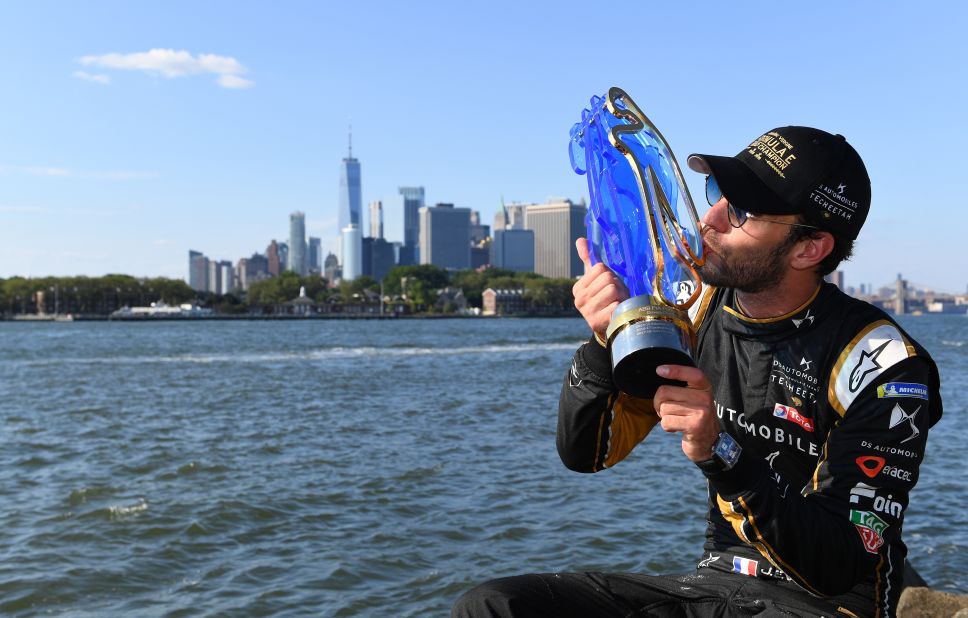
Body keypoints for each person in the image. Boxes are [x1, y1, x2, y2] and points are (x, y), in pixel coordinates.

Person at [453, 126, 943, 617]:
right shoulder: (692, 308)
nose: (708, 218)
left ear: (809, 248)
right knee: (495, 605)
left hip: (829, 604)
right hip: (715, 581)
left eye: (740, 211)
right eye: (717, 193)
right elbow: (587, 454)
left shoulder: (885, 364)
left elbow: (838, 563)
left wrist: (720, 452)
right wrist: (606, 340)